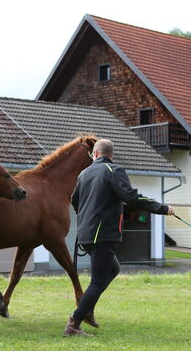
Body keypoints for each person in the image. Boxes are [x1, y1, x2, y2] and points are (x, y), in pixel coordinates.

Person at [63, 139, 175, 337]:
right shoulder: (114, 170)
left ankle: (86, 309)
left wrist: (87, 217)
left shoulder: (84, 173)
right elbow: (132, 197)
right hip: (103, 234)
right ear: (110, 155)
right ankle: (74, 322)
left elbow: (75, 201)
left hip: (86, 234)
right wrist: (163, 208)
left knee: (113, 269)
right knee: (97, 282)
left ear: (94, 154)